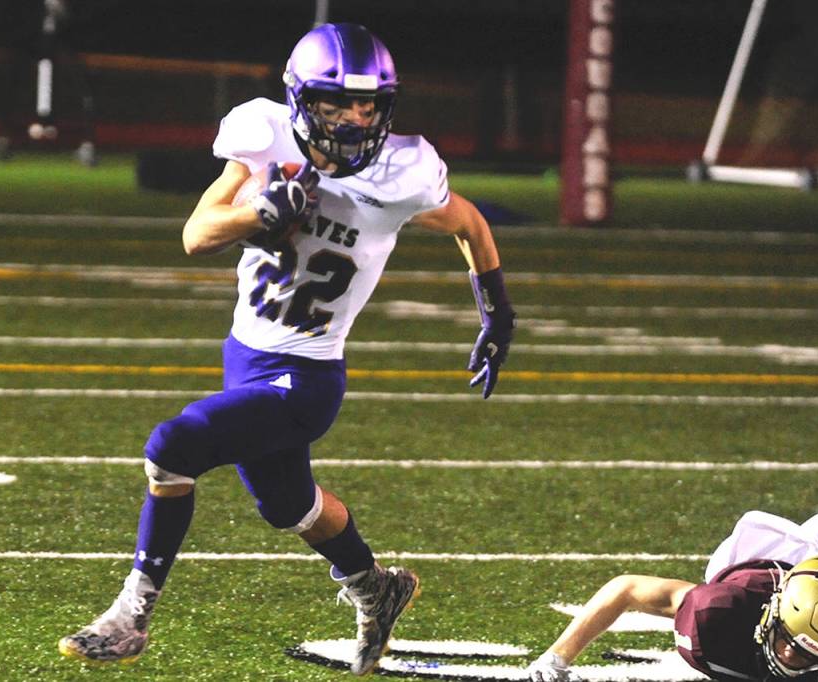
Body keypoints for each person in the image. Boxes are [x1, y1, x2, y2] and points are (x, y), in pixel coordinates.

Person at [58, 22, 516, 676]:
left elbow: (468, 221)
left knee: (172, 446)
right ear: (303, 100)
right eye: (338, 104)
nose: (356, 119)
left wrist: (496, 308)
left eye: (369, 105)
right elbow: (198, 233)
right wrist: (258, 215)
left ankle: (131, 617)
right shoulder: (263, 135)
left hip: (308, 378)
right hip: (245, 353)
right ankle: (376, 586)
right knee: (289, 506)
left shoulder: (403, 173)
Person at [527, 511, 818, 682]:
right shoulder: (717, 612)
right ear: (771, 614)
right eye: (788, 640)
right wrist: (556, 658)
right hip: (771, 560)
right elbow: (626, 588)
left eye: (806, 654)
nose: (787, 655)